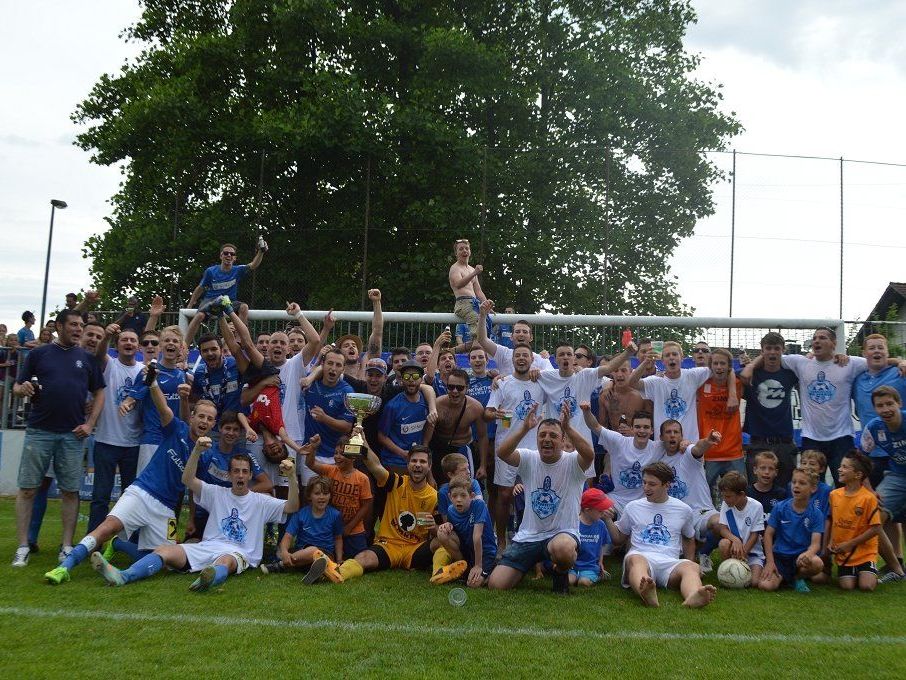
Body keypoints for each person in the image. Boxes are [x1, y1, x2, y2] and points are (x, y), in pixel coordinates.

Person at [43, 378, 217, 584]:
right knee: (107, 527)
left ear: (214, 423)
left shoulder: (206, 455)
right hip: (142, 492)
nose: (204, 421)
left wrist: (190, 520)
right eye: (201, 416)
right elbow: (163, 408)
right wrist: (152, 384)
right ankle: (64, 567)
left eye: (210, 419)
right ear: (192, 417)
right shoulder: (176, 429)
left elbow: (193, 488)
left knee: (166, 561)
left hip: (167, 509)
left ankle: (119, 545)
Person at [91, 445, 297, 591]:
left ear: (251, 475)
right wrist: (197, 451)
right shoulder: (217, 493)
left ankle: (208, 579)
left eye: (244, 472)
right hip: (207, 546)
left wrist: (292, 476)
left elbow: (292, 506)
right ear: (230, 475)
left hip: (239, 552)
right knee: (164, 551)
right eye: (236, 471)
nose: (241, 475)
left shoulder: (261, 501)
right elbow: (187, 479)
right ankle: (122, 576)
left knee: (226, 561)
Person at [11, 309, 105, 568]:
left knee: (70, 491)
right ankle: (22, 546)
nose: (78, 328)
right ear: (60, 327)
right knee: (28, 488)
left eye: (81, 324)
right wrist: (23, 389)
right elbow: (17, 386)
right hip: (39, 431)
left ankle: (66, 546)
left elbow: (99, 393)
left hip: (72, 435)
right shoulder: (38, 354)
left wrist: (90, 424)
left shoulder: (87, 359)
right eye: (74, 324)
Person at [487, 403, 594, 594]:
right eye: (542, 435)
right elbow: (502, 453)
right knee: (496, 585)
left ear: (563, 440)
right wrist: (524, 428)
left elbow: (589, 455)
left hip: (562, 534)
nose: (547, 439)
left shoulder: (572, 463)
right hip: (529, 535)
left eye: (553, 436)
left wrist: (568, 427)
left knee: (563, 549)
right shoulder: (529, 458)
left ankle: (560, 573)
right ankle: (523, 566)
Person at [780, 326, 904, 485]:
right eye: (815, 338)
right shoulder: (801, 362)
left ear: (834, 343)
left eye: (823, 338)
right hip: (811, 437)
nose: (817, 340)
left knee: (846, 485)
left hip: (842, 437)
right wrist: (749, 366)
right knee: (810, 485)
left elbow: (875, 359)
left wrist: (900, 362)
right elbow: (773, 356)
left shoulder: (849, 364)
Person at [333, 443, 454, 582]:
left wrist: (433, 527)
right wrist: (364, 442)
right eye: (414, 461)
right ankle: (337, 573)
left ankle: (439, 574)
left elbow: (439, 531)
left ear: (429, 466)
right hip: (388, 545)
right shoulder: (397, 483)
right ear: (408, 464)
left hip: (414, 549)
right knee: (364, 557)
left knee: (444, 540)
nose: (418, 465)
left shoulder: (434, 497)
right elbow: (375, 466)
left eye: (422, 461)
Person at [603, 461, 716, 608]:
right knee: (635, 560)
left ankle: (694, 595)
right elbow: (618, 539)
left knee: (691, 568)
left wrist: (690, 560)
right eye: (644, 483)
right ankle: (646, 592)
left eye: (652, 484)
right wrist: (607, 520)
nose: (646, 488)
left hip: (670, 561)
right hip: (642, 555)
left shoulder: (683, 509)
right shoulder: (633, 507)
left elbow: (688, 538)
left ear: (666, 485)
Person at [536, 341, 638, 478]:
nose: (565, 357)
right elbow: (520, 377)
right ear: (556, 359)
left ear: (573, 359)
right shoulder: (546, 376)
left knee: (586, 482)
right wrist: (500, 379)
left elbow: (608, 368)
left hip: (582, 441)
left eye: (569, 354)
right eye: (561, 354)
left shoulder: (585, 376)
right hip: (557, 441)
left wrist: (628, 353)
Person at [485, 343, 547, 548]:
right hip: (506, 448)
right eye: (517, 355)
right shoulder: (503, 383)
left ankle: (530, 539)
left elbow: (564, 377)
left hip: (535, 449)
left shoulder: (542, 381)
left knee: (532, 495)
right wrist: (495, 414)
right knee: (504, 495)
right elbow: (488, 412)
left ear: (532, 360)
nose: (521, 358)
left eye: (525, 356)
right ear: (512, 360)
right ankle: (501, 541)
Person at [86, 323, 145, 532]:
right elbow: (99, 353)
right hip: (106, 441)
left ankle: (124, 541)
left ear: (138, 347)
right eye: (124, 340)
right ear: (117, 346)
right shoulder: (108, 364)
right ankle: (93, 541)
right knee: (100, 496)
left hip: (133, 443)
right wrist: (107, 337)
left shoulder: (143, 371)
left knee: (129, 499)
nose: (128, 343)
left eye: (132, 340)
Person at [185, 410, 273, 541]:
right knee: (191, 549)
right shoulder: (206, 450)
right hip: (205, 512)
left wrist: (238, 493)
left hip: (231, 512)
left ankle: (259, 539)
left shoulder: (245, 455)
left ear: (240, 433)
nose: (231, 433)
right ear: (220, 428)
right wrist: (191, 518)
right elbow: (194, 486)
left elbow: (267, 484)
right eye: (228, 428)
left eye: (236, 430)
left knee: (268, 496)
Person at [629, 340, 730, 441]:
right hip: (663, 445)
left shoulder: (693, 375)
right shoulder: (656, 381)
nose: (671, 357)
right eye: (667, 355)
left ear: (682, 358)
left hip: (689, 444)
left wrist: (733, 393)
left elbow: (726, 368)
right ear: (662, 360)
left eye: (674, 354)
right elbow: (631, 383)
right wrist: (646, 361)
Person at [657, 420, 723, 574]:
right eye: (668, 432)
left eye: (676, 432)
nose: (672, 435)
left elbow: (698, 448)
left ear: (682, 436)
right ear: (661, 437)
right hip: (675, 517)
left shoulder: (687, 452)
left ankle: (704, 552)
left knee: (720, 522)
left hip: (700, 512)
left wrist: (707, 441)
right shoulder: (659, 463)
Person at [120, 325, 187, 475]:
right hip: (153, 439)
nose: (171, 343)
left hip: (174, 441)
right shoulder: (149, 372)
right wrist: (126, 404)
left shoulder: (182, 376)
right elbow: (133, 397)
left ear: (180, 347)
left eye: (175, 341)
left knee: (170, 490)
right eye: (166, 340)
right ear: (161, 346)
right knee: (146, 489)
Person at [739, 332, 799, 488]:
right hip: (759, 442)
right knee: (756, 491)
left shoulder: (790, 374)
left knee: (786, 490)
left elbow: (812, 363)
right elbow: (729, 376)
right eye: (768, 348)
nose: (772, 352)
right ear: (762, 351)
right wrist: (750, 366)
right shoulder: (750, 375)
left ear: (783, 350)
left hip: (784, 443)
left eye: (776, 348)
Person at [858, 385, 906, 581]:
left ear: (899, 404)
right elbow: (860, 460)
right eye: (880, 405)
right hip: (897, 476)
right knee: (873, 517)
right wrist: (869, 492)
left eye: (889, 404)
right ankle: (896, 568)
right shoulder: (874, 428)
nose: (885, 409)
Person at [260, 476, 345, 583]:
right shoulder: (301, 514)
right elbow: (288, 536)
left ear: (330, 495)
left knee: (315, 551)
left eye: (325, 493)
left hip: (325, 554)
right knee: (303, 552)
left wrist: (339, 560)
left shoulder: (335, 515)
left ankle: (280, 565)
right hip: (301, 553)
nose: (322, 497)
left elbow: (338, 538)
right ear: (309, 495)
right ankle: (318, 572)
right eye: (317, 493)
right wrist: (285, 552)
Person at [302, 432, 374, 559]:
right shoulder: (330, 470)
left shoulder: (362, 478)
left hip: (354, 529)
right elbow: (310, 464)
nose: (337, 457)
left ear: (353, 457)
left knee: (358, 558)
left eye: (342, 453)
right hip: (331, 527)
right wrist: (313, 447)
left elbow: (366, 504)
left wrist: (349, 527)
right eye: (336, 453)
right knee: (327, 556)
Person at [581, 406, 664, 514]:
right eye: (638, 427)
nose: (642, 430)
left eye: (646, 427)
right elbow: (595, 426)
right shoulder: (619, 442)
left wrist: (684, 443)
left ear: (652, 430)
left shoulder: (658, 447)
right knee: (590, 509)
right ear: (632, 428)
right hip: (616, 500)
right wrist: (586, 411)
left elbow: (677, 443)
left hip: (643, 503)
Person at [852, 334, 906, 488]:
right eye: (872, 348)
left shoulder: (900, 373)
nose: (877, 351)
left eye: (881, 347)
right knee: (877, 501)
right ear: (864, 354)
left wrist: (902, 361)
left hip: (899, 451)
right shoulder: (857, 379)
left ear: (887, 352)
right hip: (873, 454)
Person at [759, 467, 825, 593]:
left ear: (813, 488)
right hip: (780, 557)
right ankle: (785, 578)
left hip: (799, 559)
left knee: (817, 563)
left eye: (802, 483)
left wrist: (809, 554)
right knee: (765, 586)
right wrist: (770, 562)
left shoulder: (816, 514)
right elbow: (768, 534)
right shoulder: (780, 507)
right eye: (794, 482)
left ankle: (797, 577)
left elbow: (816, 544)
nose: (796, 486)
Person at [827, 451, 881, 591]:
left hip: (865, 552)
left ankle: (870, 570)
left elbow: (875, 528)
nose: (839, 469)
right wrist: (831, 542)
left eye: (845, 467)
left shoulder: (868, 498)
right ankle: (857, 572)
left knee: (866, 586)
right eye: (840, 466)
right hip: (844, 553)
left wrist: (850, 544)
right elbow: (833, 520)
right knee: (847, 587)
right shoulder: (834, 495)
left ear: (858, 475)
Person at [185, 240, 267, 334]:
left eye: (232, 254)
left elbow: (253, 265)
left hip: (229, 302)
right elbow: (200, 288)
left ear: (235, 258)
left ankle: (239, 339)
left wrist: (261, 252)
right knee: (199, 316)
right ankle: (184, 344)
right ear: (221, 256)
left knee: (244, 307)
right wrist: (190, 305)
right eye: (226, 253)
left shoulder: (238, 270)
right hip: (211, 301)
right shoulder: (210, 271)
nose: (229, 255)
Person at [433, 475, 497, 588]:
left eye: (463, 495)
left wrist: (478, 565)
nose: (458, 499)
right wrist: (448, 525)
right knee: (441, 533)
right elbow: (454, 533)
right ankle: (463, 568)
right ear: (449, 497)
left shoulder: (479, 505)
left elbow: (477, 537)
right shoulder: (450, 510)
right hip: (467, 552)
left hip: (485, 552)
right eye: (454, 496)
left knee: (474, 584)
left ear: (471, 496)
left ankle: (491, 569)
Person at [697, 348, 746, 491]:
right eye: (716, 363)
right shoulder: (701, 384)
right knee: (704, 494)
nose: (719, 367)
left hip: (733, 452)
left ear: (729, 367)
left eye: (723, 364)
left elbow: (747, 372)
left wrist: (732, 394)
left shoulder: (737, 384)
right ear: (710, 365)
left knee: (739, 493)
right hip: (709, 452)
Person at [302, 347, 355, 476]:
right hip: (310, 452)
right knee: (308, 493)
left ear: (343, 369)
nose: (333, 368)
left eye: (338, 365)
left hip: (333, 456)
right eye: (330, 363)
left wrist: (325, 418)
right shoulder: (311, 382)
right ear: (323, 365)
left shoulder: (347, 392)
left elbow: (347, 427)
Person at [430, 368, 489, 483]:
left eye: (460, 388)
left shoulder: (475, 407)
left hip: (463, 449)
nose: (455, 391)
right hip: (439, 449)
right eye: (451, 387)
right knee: (439, 486)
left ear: (467, 388)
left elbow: (482, 436)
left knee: (465, 486)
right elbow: (426, 438)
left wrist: (483, 465)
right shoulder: (437, 405)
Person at [377, 360, 436, 473]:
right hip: (395, 462)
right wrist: (403, 454)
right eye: (407, 376)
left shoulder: (426, 400)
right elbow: (382, 436)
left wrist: (424, 447)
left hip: (418, 461)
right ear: (402, 379)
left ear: (421, 379)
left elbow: (431, 423)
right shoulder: (392, 406)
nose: (411, 380)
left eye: (415, 376)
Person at [476, 301, 552, 376]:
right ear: (511, 337)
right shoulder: (503, 353)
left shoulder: (541, 359)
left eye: (525, 332)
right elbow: (482, 340)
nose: (521, 334)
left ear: (531, 337)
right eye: (517, 331)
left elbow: (552, 378)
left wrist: (541, 373)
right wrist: (482, 315)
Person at [716, 471, 765, 587]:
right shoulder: (726, 505)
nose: (725, 499)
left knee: (754, 583)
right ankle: (727, 571)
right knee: (723, 543)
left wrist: (744, 553)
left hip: (752, 553)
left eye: (728, 496)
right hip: (734, 550)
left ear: (742, 494)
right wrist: (735, 540)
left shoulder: (756, 506)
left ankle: (750, 568)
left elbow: (755, 534)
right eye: (723, 496)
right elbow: (723, 529)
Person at [334, 288, 384, 381]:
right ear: (339, 352)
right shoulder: (334, 372)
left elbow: (377, 332)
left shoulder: (366, 366)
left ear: (358, 355)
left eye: (354, 345)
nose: (351, 347)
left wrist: (376, 302)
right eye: (346, 346)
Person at [190, 333, 241, 424]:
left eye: (214, 349)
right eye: (205, 350)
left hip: (236, 427)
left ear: (221, 350)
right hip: (212, 427)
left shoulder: (236, 365)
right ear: (200, 353)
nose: (210, 353)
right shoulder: (199, 373)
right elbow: (194, 401)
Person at [449, 238, 488, 350]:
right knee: (479, 328)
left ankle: (453, 351)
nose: (464, 251)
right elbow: (458, 284)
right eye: (461, 249)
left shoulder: (471, 269)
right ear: (456, 253)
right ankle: (476, 353)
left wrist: (486, 304)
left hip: (474, 304)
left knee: (485, 330)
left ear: (470, 251)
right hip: (463, 304)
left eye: (467, 248)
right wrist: (475, 273)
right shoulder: (455, 268)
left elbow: (478, 292)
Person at [571, 488, 613, 587]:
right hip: (572, 564)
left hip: (590, 565)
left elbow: (601, 546)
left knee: (583, 582)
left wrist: (600, 562)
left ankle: (596, 575)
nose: (603, 512)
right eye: (600, 510)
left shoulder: (601, 525)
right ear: (587, 510)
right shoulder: (574, 523)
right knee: (569, 581)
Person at [436, 452, 483, 522]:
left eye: (468, 468)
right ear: (450, 475)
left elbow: (480, 505)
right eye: (463, 469)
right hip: (455, 527)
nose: (468, 472)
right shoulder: (443, 492)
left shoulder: (473, 483)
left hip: (475, 523)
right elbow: (446, 520)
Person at [746, 450, 788, 521]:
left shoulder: (782, 494)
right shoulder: (747, 493)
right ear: (755, 470)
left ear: (776, 472)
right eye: (763, 468)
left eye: (771, 469)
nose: (767, 472)